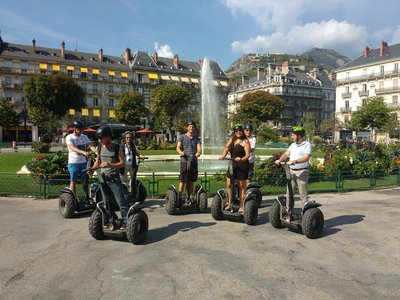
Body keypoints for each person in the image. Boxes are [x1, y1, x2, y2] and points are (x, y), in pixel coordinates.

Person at [90, 125, 128, 227]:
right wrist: (92, 170)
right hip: (103, 179)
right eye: (99, 138)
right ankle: (111, 220)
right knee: (106, 202)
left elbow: (123, 163)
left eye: (102, 137)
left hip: (114, 178)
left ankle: (125, 221)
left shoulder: (116, 147)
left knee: (121, 202)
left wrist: (110, 164)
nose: (100, 140)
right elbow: (98, 162)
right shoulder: (99, 147)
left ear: (108, 136)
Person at [275, 126, 312, 221]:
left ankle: (306, 214)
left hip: (302, 171)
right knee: (289, 193)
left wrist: (294, 161)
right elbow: (286, 154)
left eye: (293, 135)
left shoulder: (307, 145)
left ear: (299, 135)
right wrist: (279, 160)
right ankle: (289, 212)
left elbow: (306, 158)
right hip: (291, 172)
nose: (291, 136)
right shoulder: (293, 145)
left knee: (303, 194)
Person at [218, 124, 250, 214]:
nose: (238, 132)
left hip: (242, 165)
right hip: (232, 164)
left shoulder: (245, 142)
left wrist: (242, 159)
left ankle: (241, 206)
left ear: (242, 131)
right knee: (229, 184)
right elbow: (226, 148)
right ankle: (229, 203)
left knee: (241, 186)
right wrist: (223, 155)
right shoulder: (232, 139)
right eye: (236, 131)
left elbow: (248, 155)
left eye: (240, 131)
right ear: (234, 132)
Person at [66, 120, 95, 196]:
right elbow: (72, 148)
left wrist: (96, 152)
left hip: (83, 163)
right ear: (75, 129)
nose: (82, 131)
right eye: (80, 129)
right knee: (73, 181)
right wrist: (83, 152)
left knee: (85, 181)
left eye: (82, 129)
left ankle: (87, 197)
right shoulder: (69, 137)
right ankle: (73, 198)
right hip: (73, 163)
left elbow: (90, 146)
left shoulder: (84, 137)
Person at [176, 120, 201, 204]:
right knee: (183, 180)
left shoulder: (196, 138)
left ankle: (190, 196)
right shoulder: (182, 137)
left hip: (193, 161)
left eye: (193, 126)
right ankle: (179, 197)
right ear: (187, 128)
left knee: (191, 180)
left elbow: (199, 148)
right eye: (190, 126)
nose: (191, 128)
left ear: (194, 128)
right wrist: (181, 152)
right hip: (184, 161)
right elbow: (178, 147)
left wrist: (198, 153)